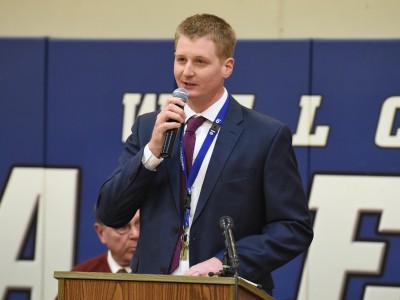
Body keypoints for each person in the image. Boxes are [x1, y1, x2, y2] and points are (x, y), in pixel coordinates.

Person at [96, 13, 313, 295]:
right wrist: (151, 153)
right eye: (181, 59)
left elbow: (293, 228)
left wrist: (224, 263)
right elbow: (110, 213)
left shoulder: (266, 136)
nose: (186, 72)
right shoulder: (150, 127)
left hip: (222, 289)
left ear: (227, 67)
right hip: (152, 288)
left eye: (200, 62)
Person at [72, 209, 140, 273]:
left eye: (141, 224)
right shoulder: (79, 277)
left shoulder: (150, 271)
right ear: (101, 233)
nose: (135, 235)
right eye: (122, 226)